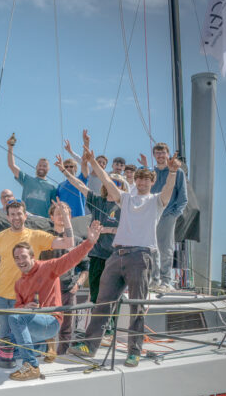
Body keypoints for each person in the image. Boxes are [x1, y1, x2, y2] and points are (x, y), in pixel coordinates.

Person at [70, 140, 182, 367]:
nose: (141, 181)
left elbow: (168, 192)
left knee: (136, 305)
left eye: (146, 178)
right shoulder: (126, 198)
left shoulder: (156, 201)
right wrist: (92, 161)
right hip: (116, 255)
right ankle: (90, 346)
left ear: (151, 182)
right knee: (102, 302)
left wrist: (172, 172)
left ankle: (134, 351)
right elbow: (107, 181)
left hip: (141, 257)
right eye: (138, 178)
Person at [9, 222, 101, 380]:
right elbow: (18, 306)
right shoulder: (19, 283)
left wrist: (89, 242)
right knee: (9, 334)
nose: (20, 261)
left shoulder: (48, 267)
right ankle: (41, 351)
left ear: (32, 257)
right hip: (35, 323)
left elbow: (70, 258)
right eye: (16, 258)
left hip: (51, 322)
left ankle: (31, 365)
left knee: (15, 319)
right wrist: (25, 306)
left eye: (23, 256)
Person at [0, 200, 74, 343]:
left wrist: (65, 217)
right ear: (7, 217)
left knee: (22, 338)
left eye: (19, 213)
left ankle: (26, 364)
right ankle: (8, 362)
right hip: (0, 297)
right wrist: (2, 278)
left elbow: (68, 243)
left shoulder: (36, 236)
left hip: (24, 299)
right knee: (3, 337)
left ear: (25, 216)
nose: (16, 217)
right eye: (12, 214)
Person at [55, 154, 128, 307]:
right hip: (96, 255)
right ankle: (97, 327)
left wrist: (107, 229)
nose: (114, 186)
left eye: (118, 183)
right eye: (111, 182)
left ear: (123, 187)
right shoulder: (97, 200)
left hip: (115, 256)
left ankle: (110, 329)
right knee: (95, 294)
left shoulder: (125, 205)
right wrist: (64, 171)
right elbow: (79, 185)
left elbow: (128, 229)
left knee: (114, 296)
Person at [38, 200, 90, 357]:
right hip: (47, 291)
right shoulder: (43, 238)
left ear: (70, 216)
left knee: (67, 328)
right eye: (58, 213)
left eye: (65, 213)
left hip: (68, 289)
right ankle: (47, 355)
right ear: (51, 217)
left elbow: (86, 268)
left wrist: (78, 285)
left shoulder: (77, 241)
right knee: (45, 325)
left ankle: (63, 355)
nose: (61, 216)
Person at [144, 143, 188, 291]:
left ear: (168, 154)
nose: (160, 156)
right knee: (152, 249)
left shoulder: (178, 172)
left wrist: (174, 215)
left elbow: (183, 197)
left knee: (165, 249)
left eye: (163, 153)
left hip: (168, 214)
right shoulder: (152, 173)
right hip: (151, 215)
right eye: (157, 153)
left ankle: (166, 281)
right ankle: (154, 280)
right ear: (154, 155)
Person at [7, 134, 56, 217]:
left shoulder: (52, 187)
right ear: (36, 167)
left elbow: (54, 207)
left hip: (43, 220)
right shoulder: (27, 179)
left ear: (48, 169)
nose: (41, 167)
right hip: (27, 217)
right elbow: (12, 165)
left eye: (44, 166)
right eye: (40, 165)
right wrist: (10, 147)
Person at [56, 148, 87, 217]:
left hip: (79, 216)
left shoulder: (81, 179)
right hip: (64, 217)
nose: (68, 168)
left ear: (75, 168)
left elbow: (84, 164)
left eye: (71, 166)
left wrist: (86, 144)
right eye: (66, 167)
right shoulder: (60, 186)